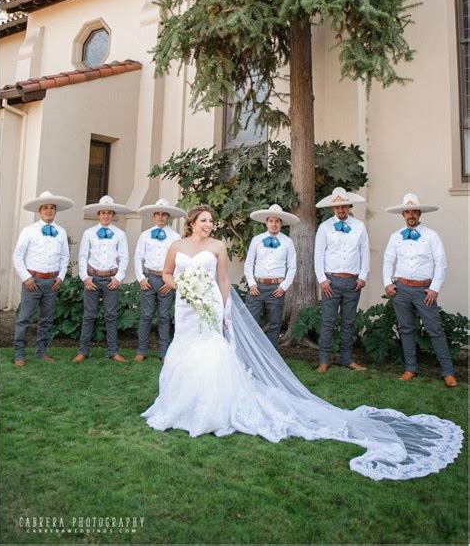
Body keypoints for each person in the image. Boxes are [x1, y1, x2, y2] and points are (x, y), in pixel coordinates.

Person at [141, 204, 462, 481]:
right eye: (205, 220)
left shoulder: (218, 247)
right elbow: (167, 274)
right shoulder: (176, 246)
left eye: (212, 220)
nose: (209, 224)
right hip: (186, 306)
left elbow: (223, 280)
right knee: (184, 351)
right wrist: (183, 282)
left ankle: (209, 408)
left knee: (212, 352)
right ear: (193, 223)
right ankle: (181, 405)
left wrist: (224, 309)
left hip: (210, 303)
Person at [383, 193, 457, 387]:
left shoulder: (432, 236)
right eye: (407, 211)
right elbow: (388, 260)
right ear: (403, 215)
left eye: (414, 211)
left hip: (424, 290)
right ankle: (410, 368)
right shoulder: (395, 237)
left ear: (419, 213)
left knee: (436, 330)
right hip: (401, 290)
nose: (411, 215)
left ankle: (447, 372)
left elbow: (441, 264)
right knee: (406, 329)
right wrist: (387, 283)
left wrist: (434, 288)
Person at [13, 190, 73, 367]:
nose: (49, 211)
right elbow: (18, 256)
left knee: (46, 319)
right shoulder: (29, 231)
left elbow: (65, 257)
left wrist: (61, 277)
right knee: (24, 318)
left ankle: (41, 352)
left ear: (55, 211)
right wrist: (26, 278)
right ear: (39, 211)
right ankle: (19, 354)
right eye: (45, 208)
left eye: (52, 208)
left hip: (52, 283)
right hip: (32, 281)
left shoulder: (61, 232)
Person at [314, 187, 370, 373]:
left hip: (353, 282)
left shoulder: (359, 226)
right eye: (337, 207)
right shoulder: (325, 227)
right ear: (333, 209)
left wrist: (362, 276)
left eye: (344, 206)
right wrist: (322, 279)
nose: (341, 210)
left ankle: (346, 358)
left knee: (348, 321)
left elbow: (364, 253)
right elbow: (319, 254)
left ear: (349, 206)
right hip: (331, 281)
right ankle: (324, 359)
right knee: (328, 321)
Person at [73, 195, 131, 363]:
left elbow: (124, 257)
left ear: (113, 215)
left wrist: (118, 277)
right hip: (92, 278)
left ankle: (113, 351)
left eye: (109, 213)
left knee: (111, 315)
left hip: (110, 279)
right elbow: (83, 256)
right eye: (103, 213)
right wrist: (85, 277)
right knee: (89, 315)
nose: (106, 216)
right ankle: (83, 351)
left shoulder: (120, 234)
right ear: (98, 214)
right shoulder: (89, 233)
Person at [134, 198, 186, 362]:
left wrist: (172, 283)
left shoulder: (175, 236)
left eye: (164, 214)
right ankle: (141, 351)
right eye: (158, 214)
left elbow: (179, 261)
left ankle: (164, 352)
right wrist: (141, 278)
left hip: (166, 280)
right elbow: (138, 258)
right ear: (153, 216)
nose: (161, 217)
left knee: (164, 317)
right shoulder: (145, 235)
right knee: (146, 315)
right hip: (149, 279)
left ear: (168, 216)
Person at [244, 204, 298, 348]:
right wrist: (251, 284)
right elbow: (249, 264)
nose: (274, 224)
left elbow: (292, 267)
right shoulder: (257, 240)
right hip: (257, 287)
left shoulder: (288, 242)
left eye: (277, 221)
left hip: (276, 288)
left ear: (281, 223)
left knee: (275, 324)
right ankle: (250, 352)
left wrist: (283, 287)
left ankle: (272, 357)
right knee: (250, 321)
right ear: (266, 222)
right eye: (271, 221)